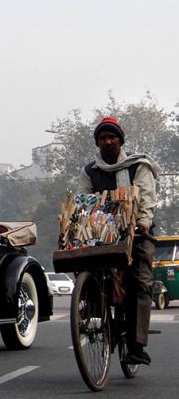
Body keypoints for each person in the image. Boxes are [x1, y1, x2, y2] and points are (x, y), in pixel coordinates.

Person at [77, 116, 161, 366]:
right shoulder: (89, 171)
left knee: (141, 281)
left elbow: (146, 197)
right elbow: (84, 202)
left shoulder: (139, 165)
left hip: (137, 231)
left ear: (121, 140)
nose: (108, 141)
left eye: (112, 137)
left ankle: (136, 346)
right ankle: (93, 308)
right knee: (81, 264)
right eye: (103, 138)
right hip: (102, 233)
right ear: (97, 143)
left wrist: (144, 222)